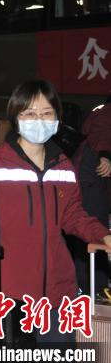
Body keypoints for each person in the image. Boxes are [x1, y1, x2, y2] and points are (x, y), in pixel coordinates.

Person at [0, 80, 111, 345]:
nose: (39, 120)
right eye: (29, 113)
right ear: (16, 118)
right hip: (8, 294)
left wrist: (103, 235)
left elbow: (73, 215)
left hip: (59, 296)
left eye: (46, 113)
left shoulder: (64, 166)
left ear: (57, 119)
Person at [70, 97, 111, 294]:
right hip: (91, 178)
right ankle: (94, 290)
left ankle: (88, 287)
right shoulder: (106, 112)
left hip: (91, 180)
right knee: (95, 231)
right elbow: (101, 130)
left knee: (89, 232)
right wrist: (106, 155)